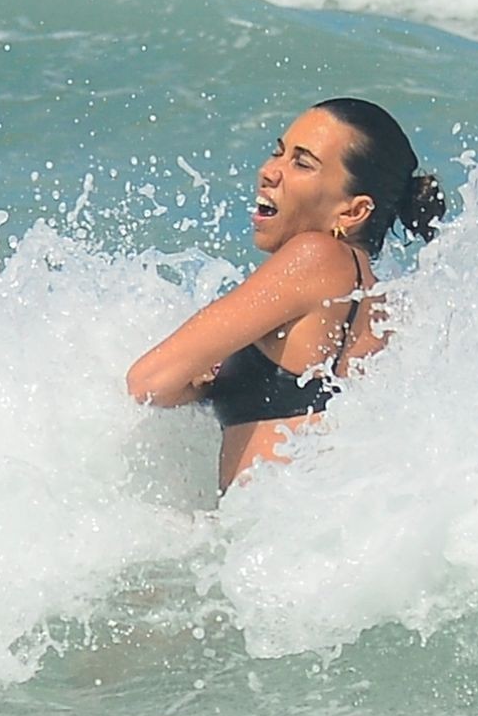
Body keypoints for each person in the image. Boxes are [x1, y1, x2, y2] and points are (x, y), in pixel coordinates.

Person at [127, 98, 445, 491]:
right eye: (278, 152)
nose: (269, 171)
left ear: (352, 211)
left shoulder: (317, 256)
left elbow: (147, 381)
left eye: (302, 163)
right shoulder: (384, 305)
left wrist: (202, 379)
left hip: (269, 524)